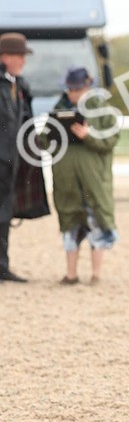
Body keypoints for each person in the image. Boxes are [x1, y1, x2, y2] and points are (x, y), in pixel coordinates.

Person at [43, 67, 120, 285]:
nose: (72, 93)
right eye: (70, 89)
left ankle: (96, 274)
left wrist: (89, 136)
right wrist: (52, 134)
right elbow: (44, 141)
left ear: (87, 88)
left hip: (93, 181)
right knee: (70, 223)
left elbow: (111, 141)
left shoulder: (103, 112)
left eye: (76, 89)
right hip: (67, 181)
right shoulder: (58, 109)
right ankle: (71, 274)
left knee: (97, 222)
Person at [0, 31, 35, 282]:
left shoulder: (17, 85)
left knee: (4, 214)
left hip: (9, 162)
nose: (23, 61)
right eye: (19, 56)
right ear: (5, 57)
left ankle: (2, 266)